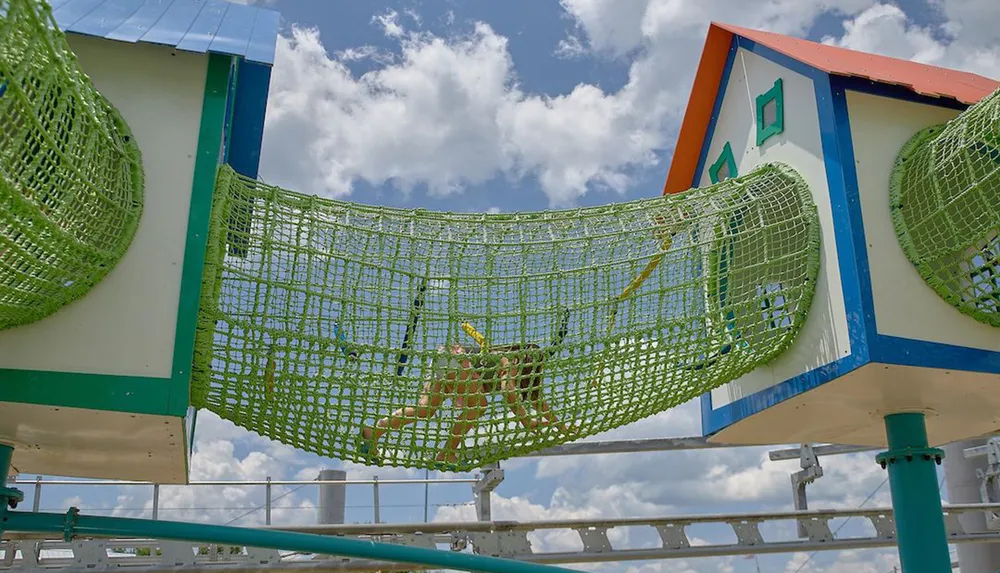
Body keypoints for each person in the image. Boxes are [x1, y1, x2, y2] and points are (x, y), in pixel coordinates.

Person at [357, 341, 570, 470]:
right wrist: (526, 420)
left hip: (445, 356)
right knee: (478, 407)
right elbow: (508, 391)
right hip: (457, 360)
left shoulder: (509, 363)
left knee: (426, 409)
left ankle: (373, 432)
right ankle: (446, 453)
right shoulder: (513, 360)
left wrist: (561, 427)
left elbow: (537, 402)